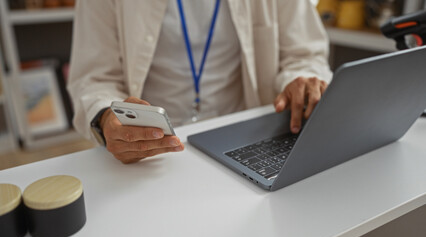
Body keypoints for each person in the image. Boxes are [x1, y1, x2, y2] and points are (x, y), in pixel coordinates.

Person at [67, 0, 332, 164]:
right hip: (151, 153)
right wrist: (105, 117)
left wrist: (302, 81)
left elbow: (304, 54)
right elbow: (93, 78)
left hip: (243, 143)